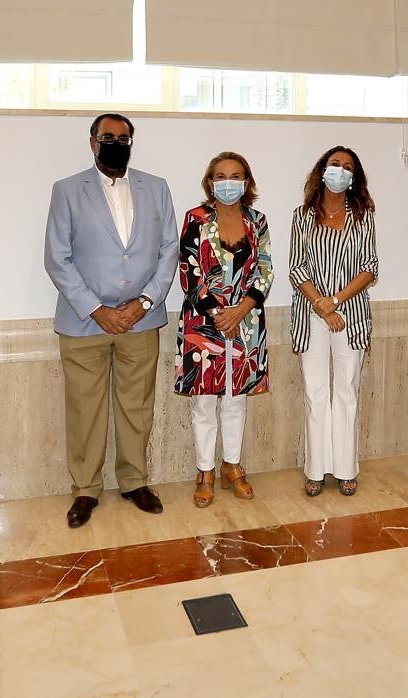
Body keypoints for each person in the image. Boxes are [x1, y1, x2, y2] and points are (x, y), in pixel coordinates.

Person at [45, 113, 179, 528]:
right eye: (108, 137)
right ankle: (85, 489)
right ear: (92, 142)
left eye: (125, 137)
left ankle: (134, 481)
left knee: (137, 408)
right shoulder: (67, 190)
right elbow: (57, 258)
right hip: (85, 322)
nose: (117, 142)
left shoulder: (156, 188)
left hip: (141, 319)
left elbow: (169, 251)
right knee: (85, 410)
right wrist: (96, 309)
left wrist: (144, 301)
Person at [175, 152, 272, 508]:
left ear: (246, 182)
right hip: (204, 325)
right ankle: (205, 471)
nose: (227, 182)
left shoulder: (257, 220)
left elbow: (265, 270)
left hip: (246, 325)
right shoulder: (195, 219)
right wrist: (219, 314)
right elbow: (189, 271)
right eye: (220, 176)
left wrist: (242, 309)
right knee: (204, 403)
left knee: (236, 401)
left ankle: (233, 465)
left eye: (235, 175)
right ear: (209, 182)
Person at [290, 146, 379, 497]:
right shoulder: (302, 215)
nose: (340, 170)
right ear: (322, 169)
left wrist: (337, 301)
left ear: (354, 177)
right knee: (315, 394)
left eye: (347, 167)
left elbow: (370, 267)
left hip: (351, 314)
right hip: (311, 314)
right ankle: (315, 469)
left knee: (347, 392)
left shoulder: (363, 215)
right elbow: (297, 266)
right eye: (334, 164)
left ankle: (345, 468)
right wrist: (322, 306)